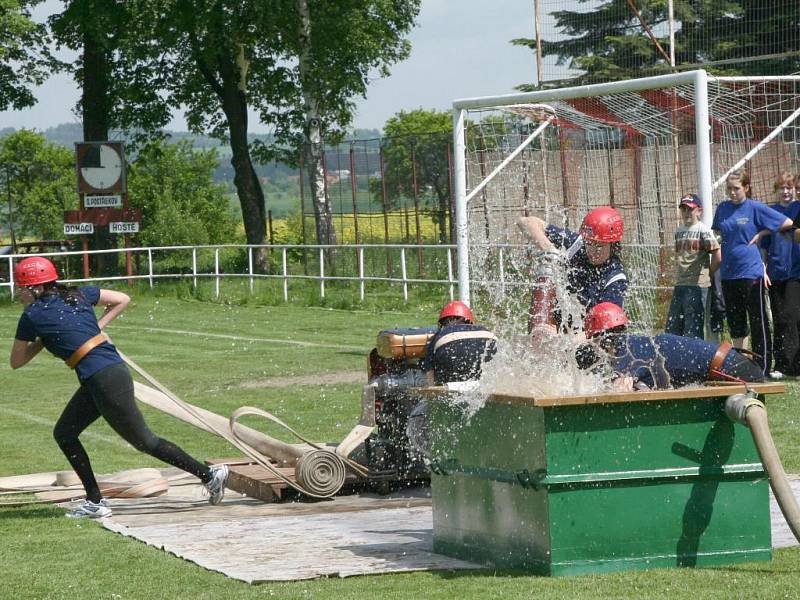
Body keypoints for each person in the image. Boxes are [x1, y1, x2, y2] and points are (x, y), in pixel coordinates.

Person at [9, 257, 229, 518]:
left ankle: (209, 475)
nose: (19, 293)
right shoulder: (78, 294)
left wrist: (42, 341)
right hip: (103, 376)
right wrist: (95, 330)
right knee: (65, 433)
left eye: (21, 287)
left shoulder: (32, 315)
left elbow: (16, 361)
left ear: (34, 288)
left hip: (103, 379)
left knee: (145, 441)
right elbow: (122, 298)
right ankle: (95, 501)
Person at [712, 170, 794, 378]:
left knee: (758, 321)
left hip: (751, 274)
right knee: (736, 322)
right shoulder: (722, 208)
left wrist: (762, 232)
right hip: (729, 274)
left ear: (746, 188)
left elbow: (787, 223)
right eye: (729, 189)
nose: (732, 193)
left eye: (736, 189)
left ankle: (763, 366)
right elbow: (719, 233)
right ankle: (740, 363)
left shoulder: (755, 208)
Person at [576, 302, 765, 390]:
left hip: (733, 371)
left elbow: (618, 392)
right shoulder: (635, 344)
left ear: (602, 339)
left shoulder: (626, 355)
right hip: (734, 362)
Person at [516, 206, 627, 329]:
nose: (592, 251)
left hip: (587, 338)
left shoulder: (615, 279)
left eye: (599, 246)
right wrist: (549, 250)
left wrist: (566, 341)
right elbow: (525, 222)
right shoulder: (577, 245)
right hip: (557, 326)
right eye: (589, 243)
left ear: (613, 245)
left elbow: (605, 329)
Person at [665, 193, 721, 339]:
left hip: (697, 286)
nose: (686, 213)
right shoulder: (679, 231)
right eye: (683, 209)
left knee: (693, 328)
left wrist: (709, 273)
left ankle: (695, 360)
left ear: (699, 211)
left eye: (690, 209)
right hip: (680, 284)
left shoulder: (703, 230)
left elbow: (717, 254)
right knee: (673, 327)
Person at [760, 173, 800, 377]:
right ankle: (782, 365)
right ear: (775, 191)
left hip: (796, 272)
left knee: (791, 316)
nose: (785, 191)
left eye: (789, 187)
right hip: (776, 273)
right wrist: (763, 269)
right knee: (780, 318)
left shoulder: (798, 208)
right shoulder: (770, 213)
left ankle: (792, 365)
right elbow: (764, 246)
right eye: (781, 188)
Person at [421, 300, 497, 385]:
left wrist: (432, 388)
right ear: (469, 320)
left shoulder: (441, 334)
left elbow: (429, 369)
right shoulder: (482, 328)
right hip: (489, 340)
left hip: (449, 350)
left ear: (446, 321)